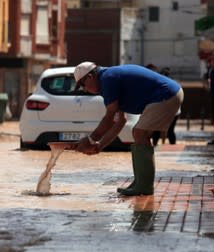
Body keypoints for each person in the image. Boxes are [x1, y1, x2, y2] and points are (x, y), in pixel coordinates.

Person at [73, 61, 184, 196]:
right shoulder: (108, 79)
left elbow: (108, 118)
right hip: (170, 93)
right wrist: (100, 146)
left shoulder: (107, 79)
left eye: (82, 85)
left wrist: (90, 139)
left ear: (90, 77)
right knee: (139, 134)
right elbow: (120, 121)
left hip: (167, 94)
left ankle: (144, 186)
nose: (84, 90)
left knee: (139, 133)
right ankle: (140, 182)